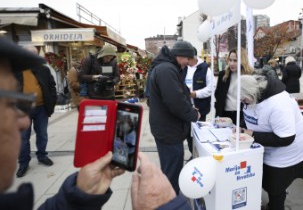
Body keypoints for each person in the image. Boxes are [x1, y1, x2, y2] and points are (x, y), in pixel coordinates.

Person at [0, 37, 191, 210]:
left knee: (109, 132)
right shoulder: (90, 61)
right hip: (94, 97)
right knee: (94, 128)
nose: (24, 120)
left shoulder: (116, 62)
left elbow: (116, 76)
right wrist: (95, 78)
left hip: (107, 95)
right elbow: (81, 77)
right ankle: (24, 162)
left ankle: (52, 153)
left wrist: (79, 195)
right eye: (10, 102)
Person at [240, 74, 303, 210]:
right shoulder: (251, 98)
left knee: (275, 185)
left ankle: (276, 206)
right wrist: (242, 127)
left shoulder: (278, 103)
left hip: (287, 151)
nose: (243, 103)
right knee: (268, 181)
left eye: (244, 100)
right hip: (268, 147)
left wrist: (252, 134)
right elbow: (250, 115)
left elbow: (285, 138)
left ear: (252, 92)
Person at [148, 40, 200, 194]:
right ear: (180, 56)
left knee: (170, 169)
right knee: (172, 173)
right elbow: (175, 102)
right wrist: (193, 114)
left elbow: (178, 93)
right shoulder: (166, 70)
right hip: (168, 131)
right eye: (188, 59)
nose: (189, 64)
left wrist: (189, 107)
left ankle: (169, 198)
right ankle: (170, 201)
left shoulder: (168, 67)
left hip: (167, 128)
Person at [14, 45, 57, 178]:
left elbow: (52, 86)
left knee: (42, 134)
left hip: (41, 108)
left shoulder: (43, 69)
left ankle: (42, 156)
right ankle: (23, 162)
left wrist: (52, 101)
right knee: (23, 137)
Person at [183, 47, 215, 155]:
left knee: (199, 134)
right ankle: (193, 155)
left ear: (194, 57)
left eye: (188, 59)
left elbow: (210, 89)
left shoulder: (205, 69)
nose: (187, 62)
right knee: (188, 135)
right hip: (186, 108)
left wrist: (195, 94)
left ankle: (200, 156)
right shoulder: (184, 68)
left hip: (201, 109)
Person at [214, 48, 253, 126]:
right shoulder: (223, 75)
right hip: (225, 115)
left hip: (243, 115)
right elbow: (218, 95)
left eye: (235, 60)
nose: (231, 63)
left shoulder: (250, 76)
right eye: (230, 60)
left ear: (243, 61)